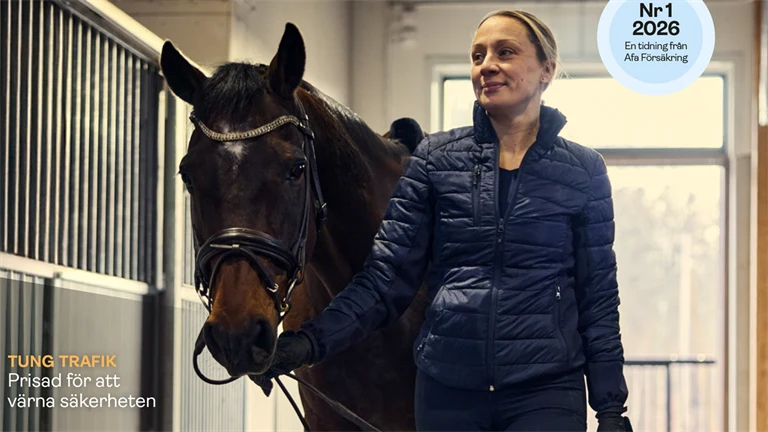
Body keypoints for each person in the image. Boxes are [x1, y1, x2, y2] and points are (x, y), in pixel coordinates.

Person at [263, 9, 632, 432]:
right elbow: (385, 279)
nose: (486, 65)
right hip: (448, 392)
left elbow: (597, 298)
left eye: (505, 52)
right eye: (478, 56)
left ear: (546, 69)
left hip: (546, 392)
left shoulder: (583, 171)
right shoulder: (434, 161)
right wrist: (309, 341)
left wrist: (610, 408)